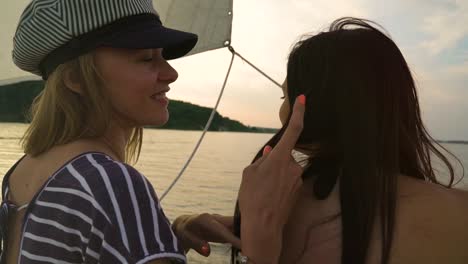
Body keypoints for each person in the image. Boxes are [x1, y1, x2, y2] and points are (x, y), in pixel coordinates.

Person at [1, 0, 306, 263]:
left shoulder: (21, 173)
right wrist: (262, 252)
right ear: (75, 80)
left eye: (164, 56)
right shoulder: (110, 184)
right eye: (147, 58)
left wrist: (166, 237)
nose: (171, 73)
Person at [174, 18, 468, 264]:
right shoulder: (457, 212)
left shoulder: (286, 216)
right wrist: (183, 224)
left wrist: (258, 250)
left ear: (307, 109)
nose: (281, 110)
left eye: (284, 97)